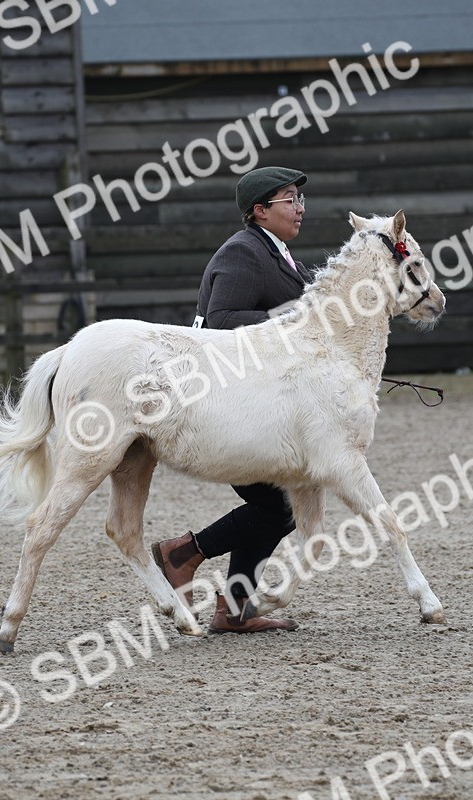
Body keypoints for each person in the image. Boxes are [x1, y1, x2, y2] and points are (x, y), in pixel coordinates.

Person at [151, 166, 311, 634]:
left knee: (279, 505)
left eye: (301, 198)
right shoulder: (244, 252)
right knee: (281, 505)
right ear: (260, 210)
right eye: (289, 199)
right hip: (223, 407)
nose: (300, 207)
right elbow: (221, 322)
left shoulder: (277, 254)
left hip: (254, 404)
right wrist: (295, 316)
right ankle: (183, 553)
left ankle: (233, 607)